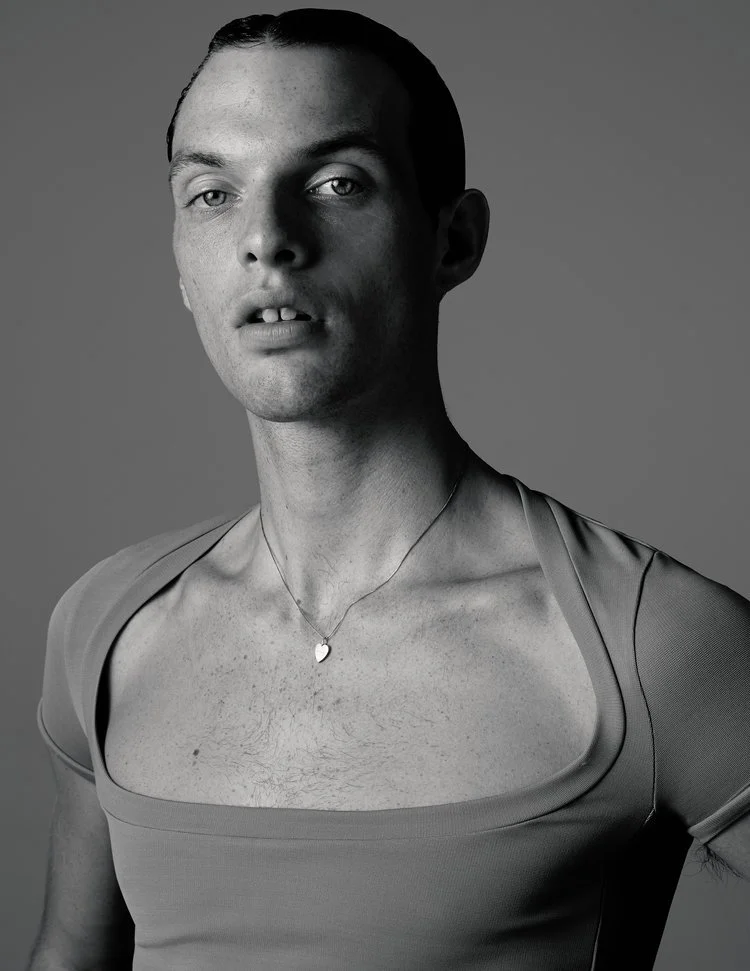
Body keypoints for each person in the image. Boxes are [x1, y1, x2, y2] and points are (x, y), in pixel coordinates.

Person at [28, 9, 750, 971]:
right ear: (180, 262)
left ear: (452, 240)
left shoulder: (650, 644)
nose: (268, 239)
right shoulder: (104, 627)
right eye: (212, 194)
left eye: (336, 183)